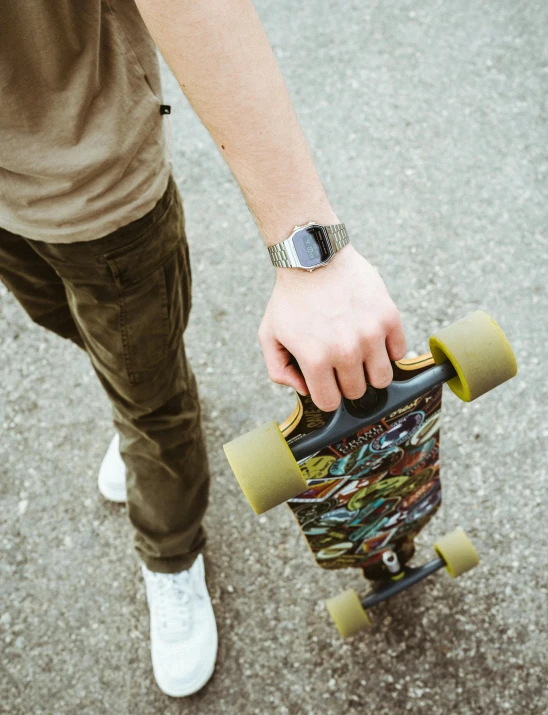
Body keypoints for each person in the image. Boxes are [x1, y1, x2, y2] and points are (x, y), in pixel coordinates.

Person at [0, 0, 407, 698]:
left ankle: (171, 552)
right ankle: (137, 409)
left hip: (97, 194)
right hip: (9, 217)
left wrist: (310, 249)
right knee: (95, 347)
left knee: (154, 407)